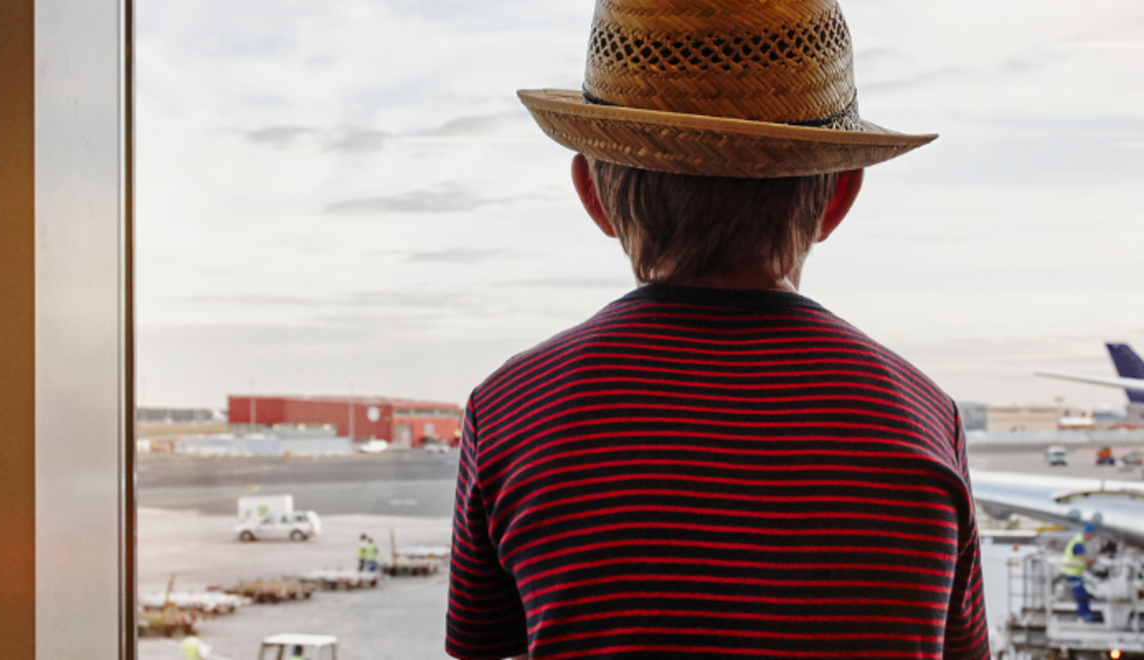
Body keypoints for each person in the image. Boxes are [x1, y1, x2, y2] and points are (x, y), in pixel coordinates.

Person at [446, 0, 988, 658]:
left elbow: (481, 647)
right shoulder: (923, 417)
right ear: (841, 195)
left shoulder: (512, 409)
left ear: (592, 193)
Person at [1061, 523, 1098, 623]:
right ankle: (1085, 618)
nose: (1092, 537)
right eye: (1092, 534)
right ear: (1088, 533)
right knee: (1081, 596)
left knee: (1082, 595)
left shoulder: (1079, 540)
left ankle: (1085, 616)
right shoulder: (1078, 542)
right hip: (1071, 572)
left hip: (1074, 572)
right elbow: (1085, 559)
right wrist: (1095, 560)